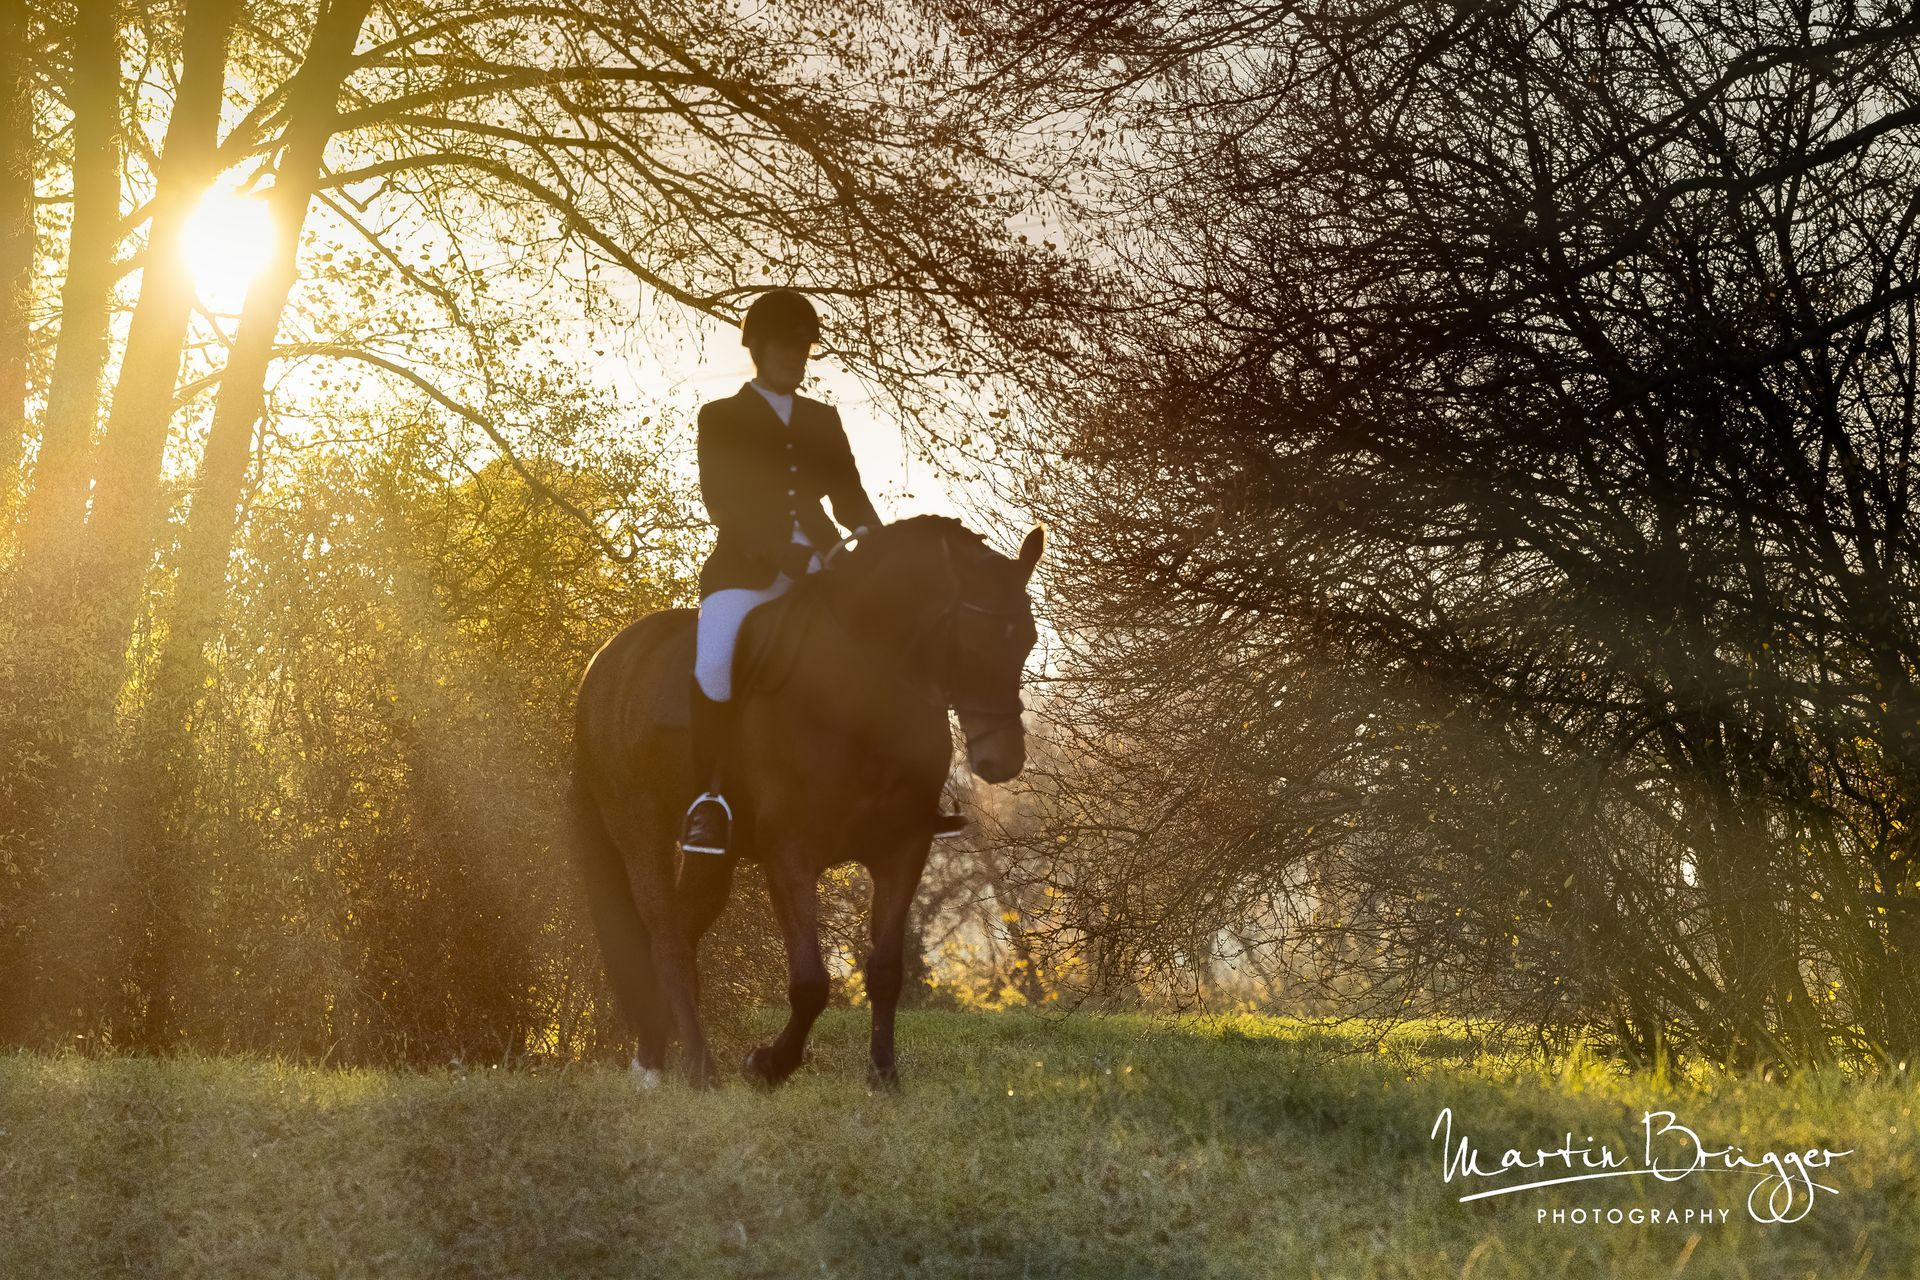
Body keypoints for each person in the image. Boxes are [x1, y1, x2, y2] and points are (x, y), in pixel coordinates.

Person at [679, 289, 970, 856]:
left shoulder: (822, 418)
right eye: (787, 344)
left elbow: (849, 495)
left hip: (826, 567)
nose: (797, 354)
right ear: (757, 346)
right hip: (744, 572)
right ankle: (706, 803)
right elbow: (723, 502)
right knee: (713, 662)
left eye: (804, 345)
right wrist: (775, 553)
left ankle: (911, 791)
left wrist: (879, 547)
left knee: (894, 648)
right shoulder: (721, 417)